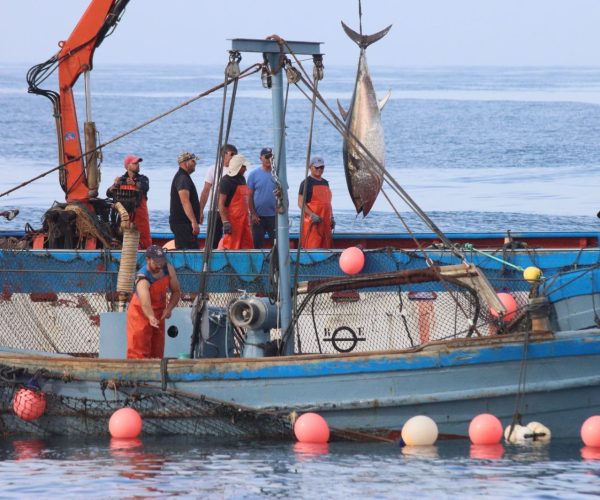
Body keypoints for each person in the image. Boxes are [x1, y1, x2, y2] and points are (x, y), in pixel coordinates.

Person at [126, 245, 181, 359]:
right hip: (140, 314)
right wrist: (151, 317)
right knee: (139, 352)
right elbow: (145, 303)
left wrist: (169, 308)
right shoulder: (142, 279)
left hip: (159, 314)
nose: (159, 265)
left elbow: (176, 292)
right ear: (148, 259)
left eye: (161, 261)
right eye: (156, 262)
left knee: (157, 351)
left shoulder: (168, 269)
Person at [107, 155, 151, 248]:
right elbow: (108, 193)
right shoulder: (121, 180)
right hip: (124, 216)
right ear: (128, 166)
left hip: (140, 216)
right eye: (135, 163)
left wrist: (134, 184)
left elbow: (145, 187)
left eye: (138, 163)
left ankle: (145, 251)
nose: (138, 165)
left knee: (144, 239)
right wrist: (114, 185)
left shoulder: (143, 179)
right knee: (121, 237)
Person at [199, 144, 238, 249]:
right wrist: (200, 210)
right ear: (224, 154)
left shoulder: (237, 170)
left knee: (232, 238)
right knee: (213, 239)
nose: (234, 157)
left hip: (231, 211)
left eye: (235, 155)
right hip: (215, 210)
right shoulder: (213, 169)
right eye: (232, 154)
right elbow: (206, 191)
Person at [217, 154, 253, 250]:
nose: (246, 169)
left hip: (244, 220)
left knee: (248, 244)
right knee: (231, 245)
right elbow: (221, 203)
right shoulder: (226, 181)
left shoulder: (242, 179)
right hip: (233, 221)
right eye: (244, 167)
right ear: (239, 167)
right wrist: (225, 222)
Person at [298, 156, 334, 249]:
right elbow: (300, 203)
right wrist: (312, 215)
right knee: (312, 246)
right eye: (317, 167)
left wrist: (332, 218)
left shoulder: (326, 183)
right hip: (312, 223)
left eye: (321, 167)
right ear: (310, 167)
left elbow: (328, 203)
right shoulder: (305, 183)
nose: (319, 169)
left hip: (325, 222)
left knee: (326, 247)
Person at [169, 152, 200, 249]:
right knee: (189, 251)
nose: (195, 163)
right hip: (183, 224)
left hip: (183, 223)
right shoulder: (182, 178)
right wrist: (193, 222)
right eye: (193, 161)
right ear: (186, 163)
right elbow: (185, 201)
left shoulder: (183, 177)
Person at [247, 147, 277, 248]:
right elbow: (249, 196)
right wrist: (253, 214)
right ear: (261, 158)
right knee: (257, 244)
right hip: (258, 217)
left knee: (276, 244)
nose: (269, 159)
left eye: (271, 157)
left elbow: (283, 195)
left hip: (274, 216)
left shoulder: (278, 174)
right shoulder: (253, 175)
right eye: (266, 157)